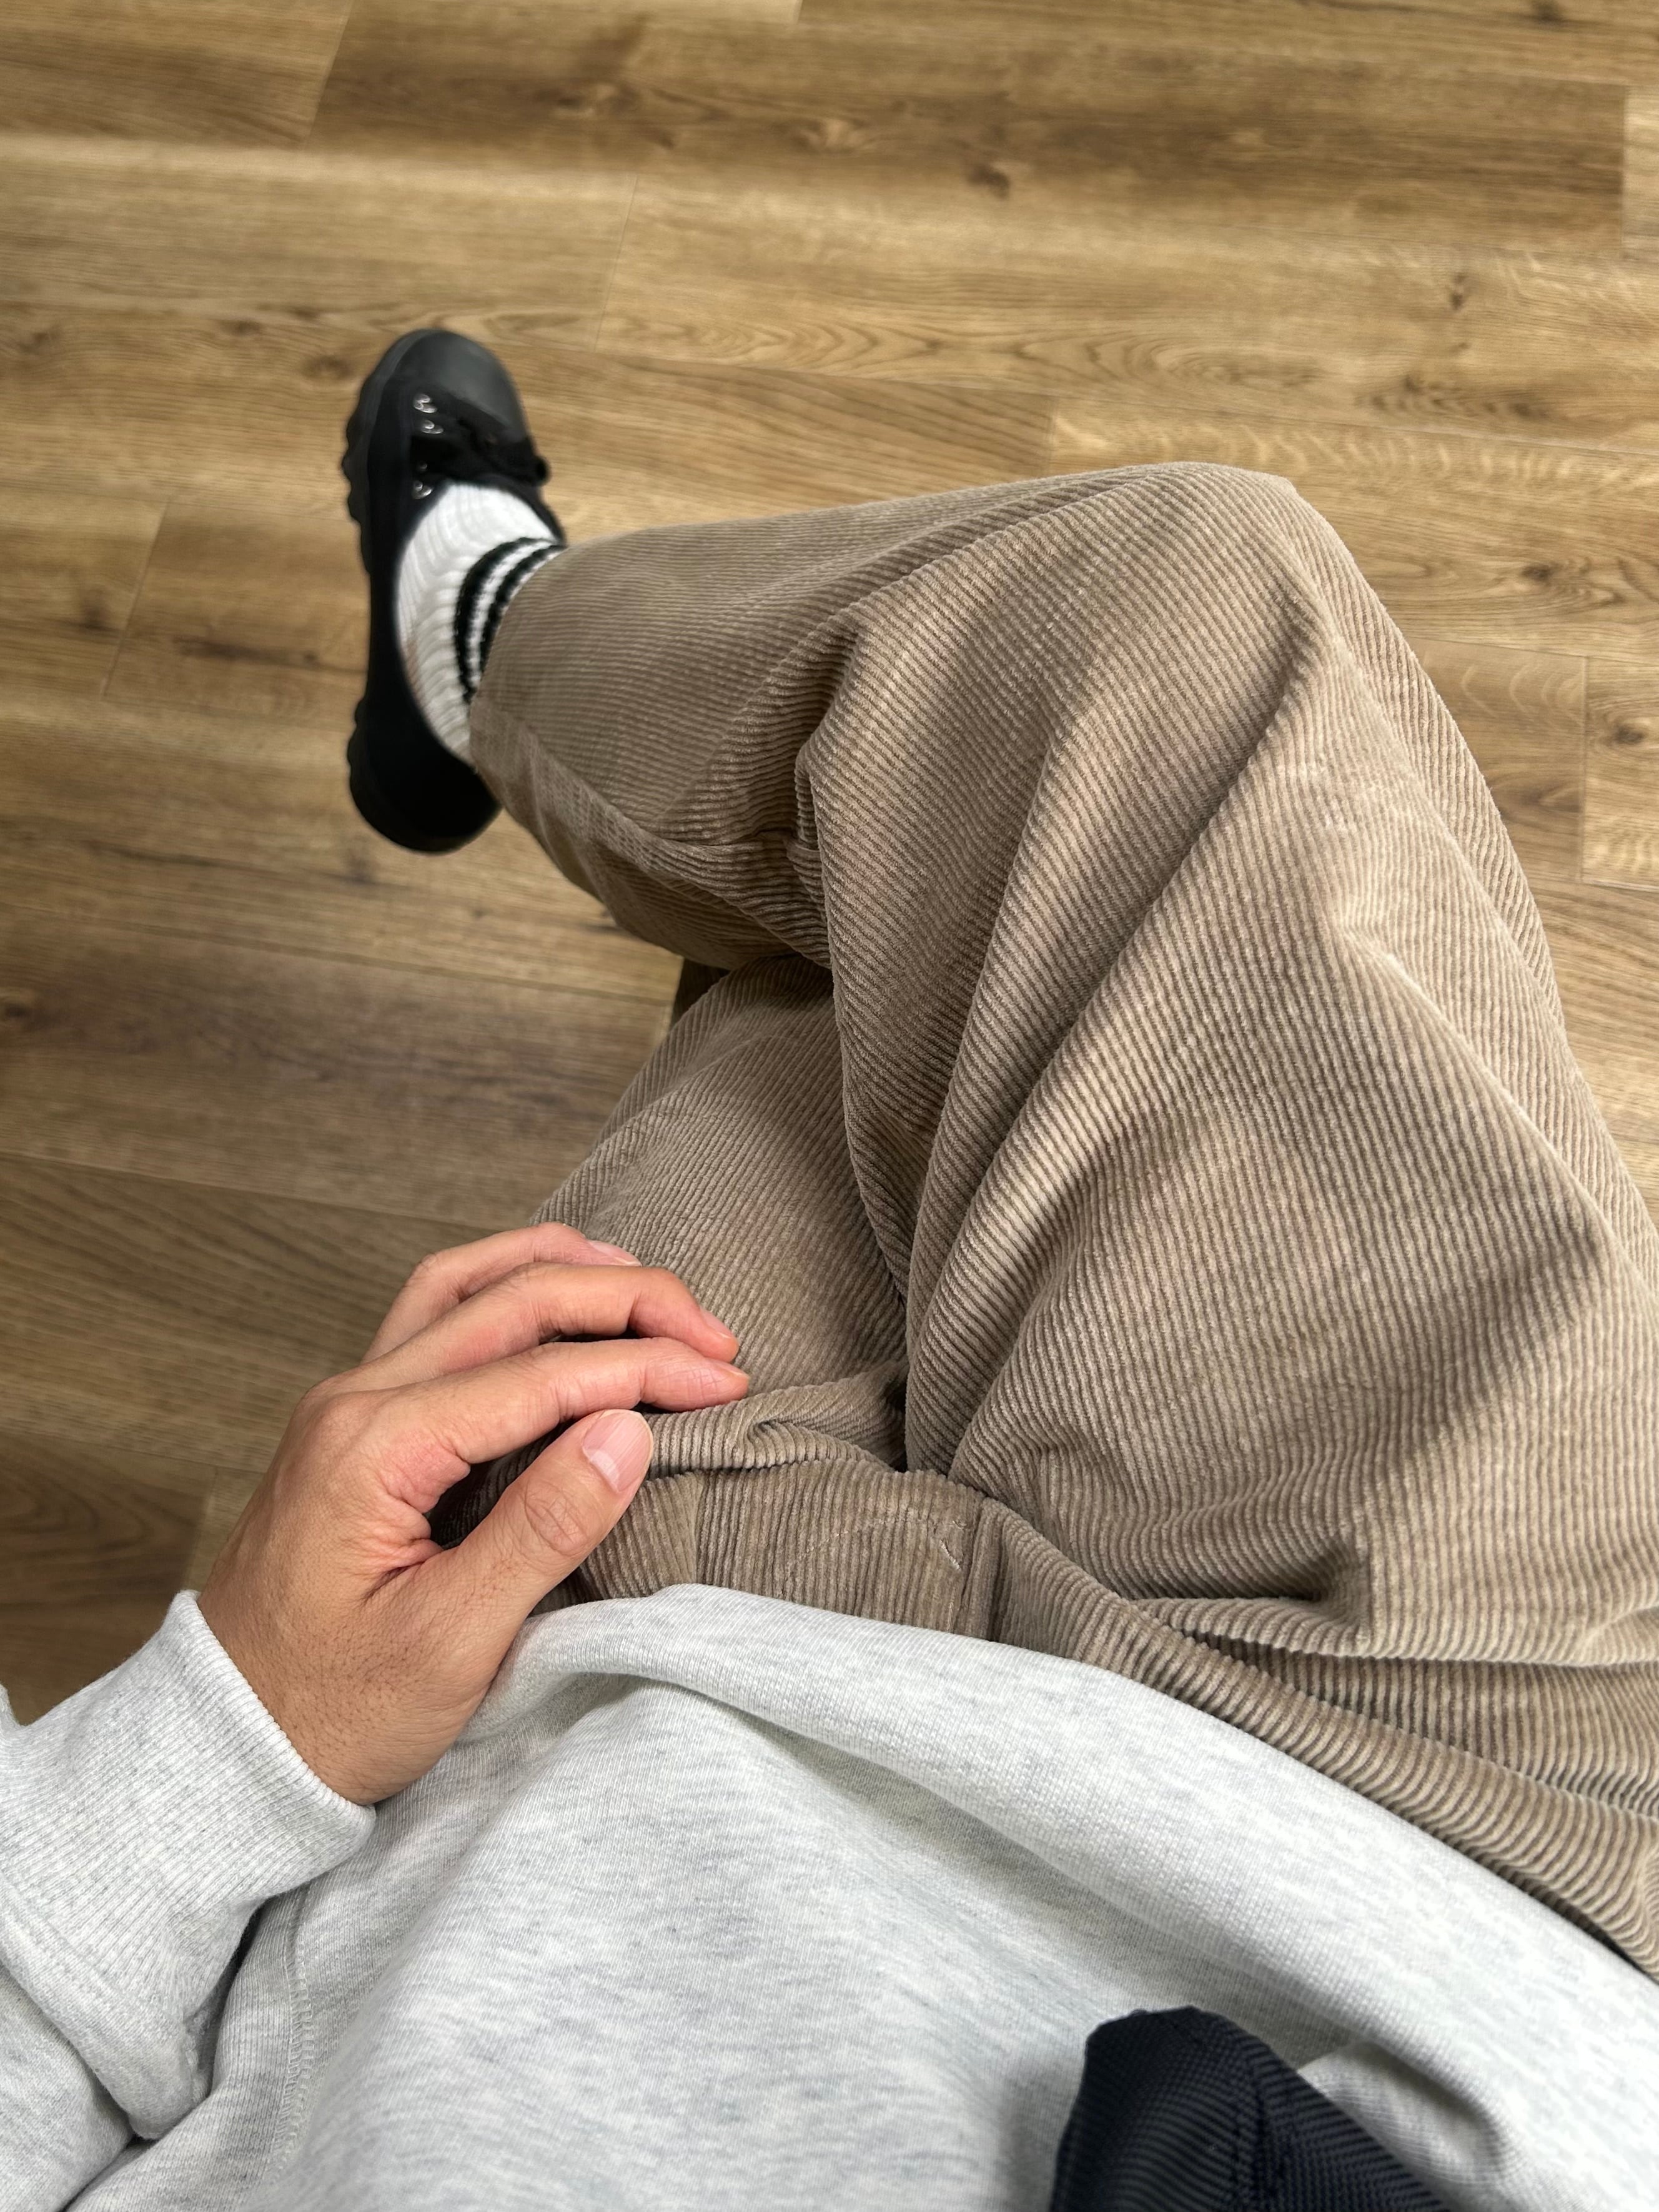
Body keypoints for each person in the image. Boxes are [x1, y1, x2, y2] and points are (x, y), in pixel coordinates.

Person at [2, 329, 1658, 2212]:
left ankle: (490, 653)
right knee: (1161, 623)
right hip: (1505, 1900)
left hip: (660, 1759)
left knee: (886, 905)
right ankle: (491, 657)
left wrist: (228, 1743)